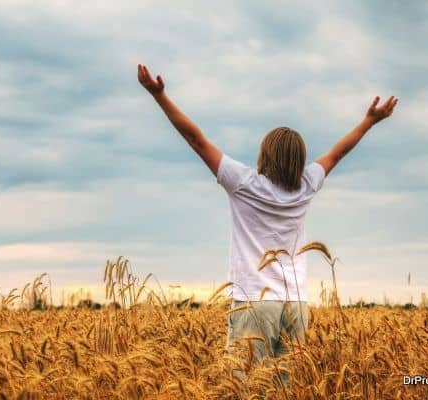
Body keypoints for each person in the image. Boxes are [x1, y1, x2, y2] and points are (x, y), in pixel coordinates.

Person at [137, 64, 398, 390]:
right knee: (288, 390)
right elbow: (338, 152)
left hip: (254, 304)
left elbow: (196, 139)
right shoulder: (307, 184)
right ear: (299, 160)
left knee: (244, 390)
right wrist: (369, 122)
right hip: (296, 304)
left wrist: (159, 96)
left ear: (265, 156)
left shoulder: (244, 183)